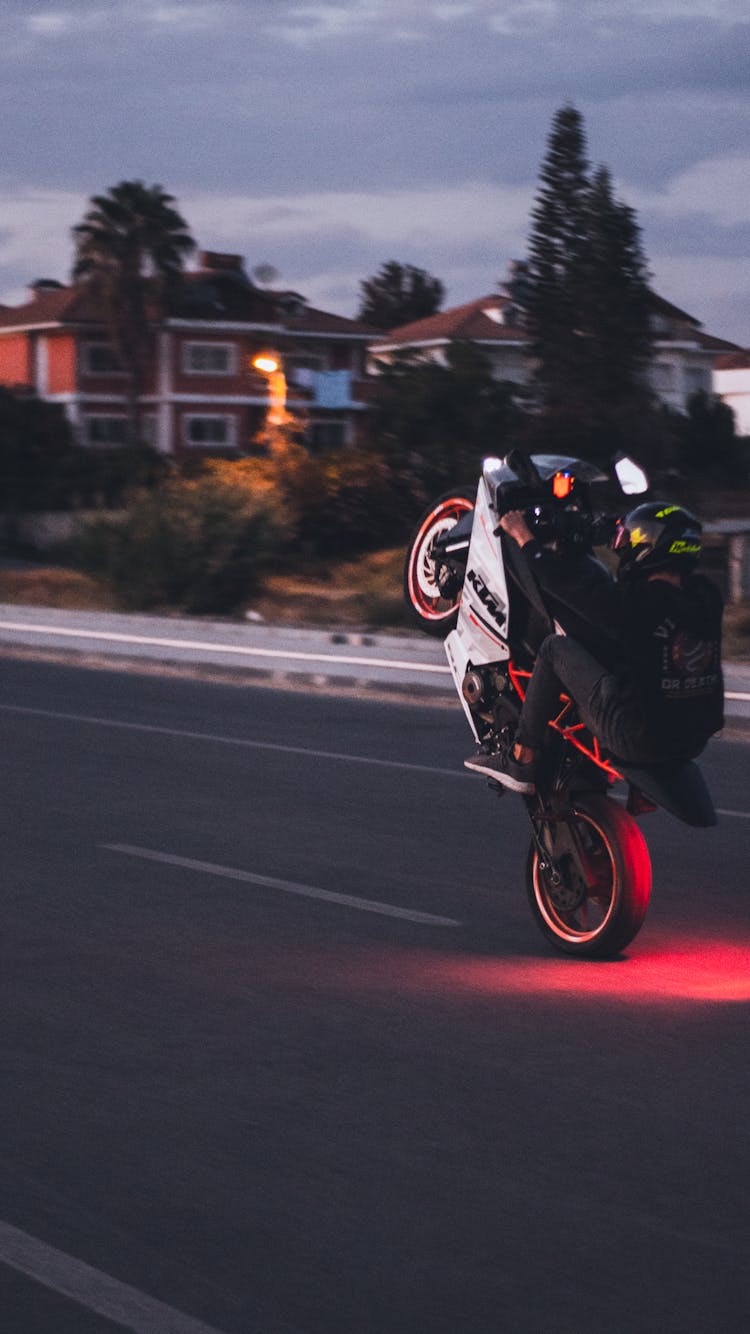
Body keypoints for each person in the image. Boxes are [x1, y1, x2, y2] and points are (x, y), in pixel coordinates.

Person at [465, 501, 725, 793]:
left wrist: (525, 537)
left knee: (554, 649)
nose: (625, 545)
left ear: (650, 546)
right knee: (628, 664)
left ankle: (521, 758)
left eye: (633, 539)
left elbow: (562, 584)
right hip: (692, 740)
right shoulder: (707, 599)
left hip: (635, 737)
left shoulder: (640, 603)